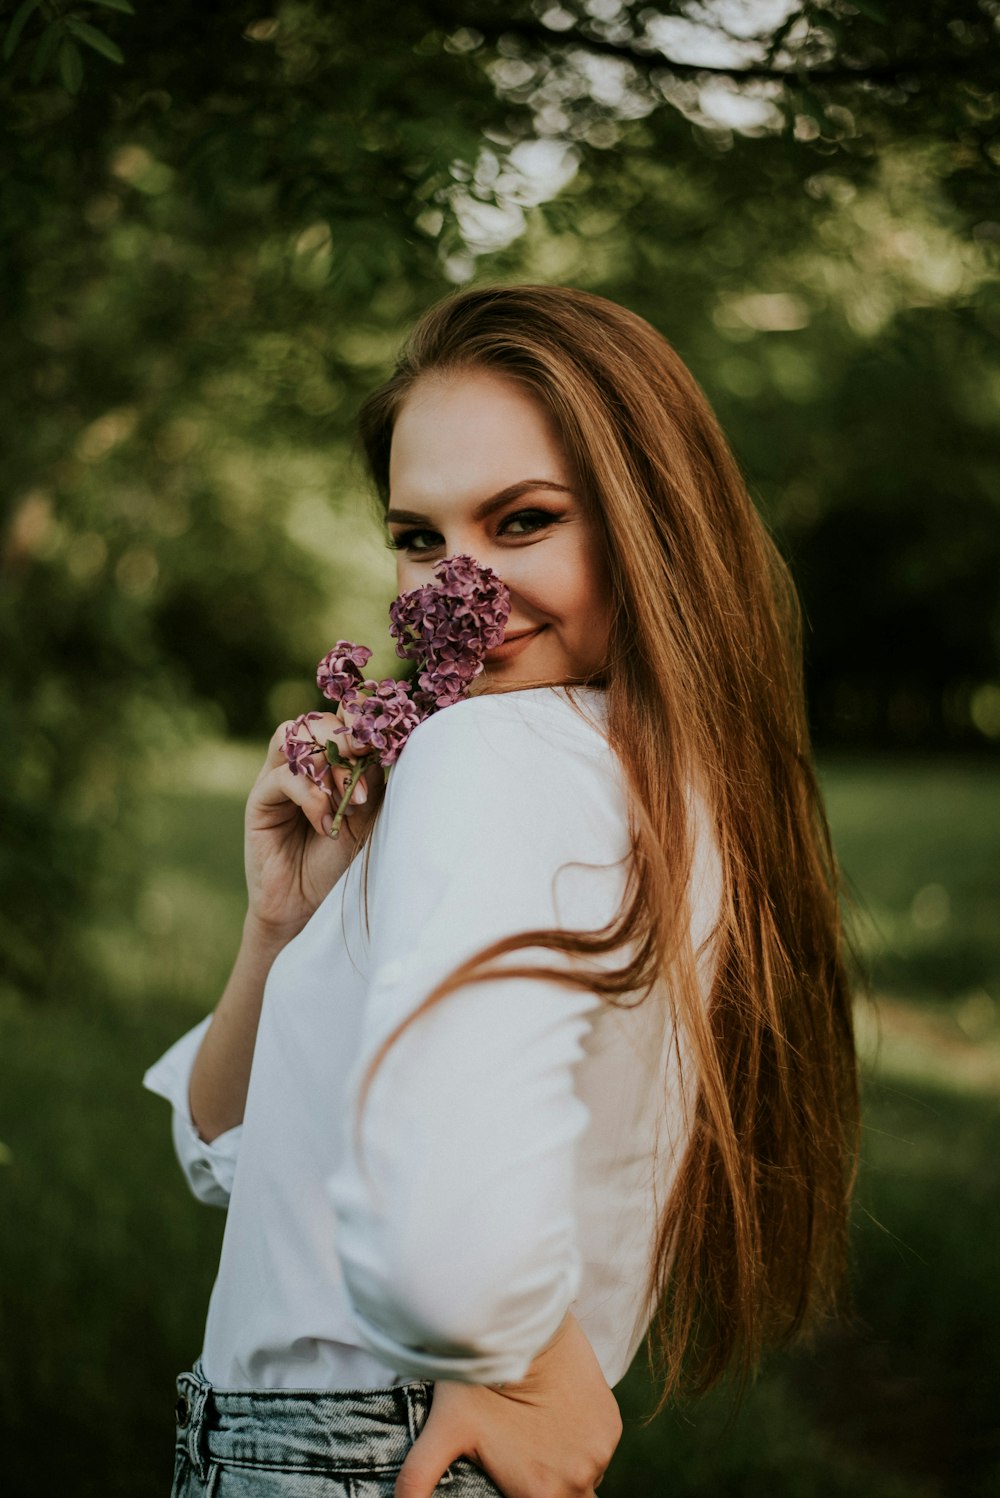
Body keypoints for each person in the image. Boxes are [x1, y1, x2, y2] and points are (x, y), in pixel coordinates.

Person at [144, 284, 859, 1498]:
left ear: (652, 523)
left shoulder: (495, 754)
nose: (450, 588)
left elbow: (440, 1238)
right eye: (420, 539)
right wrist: (281, 926)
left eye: (522, 521)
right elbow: (228, 1154)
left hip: (361, 1451)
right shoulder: (638, 780)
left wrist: (512, 1354)